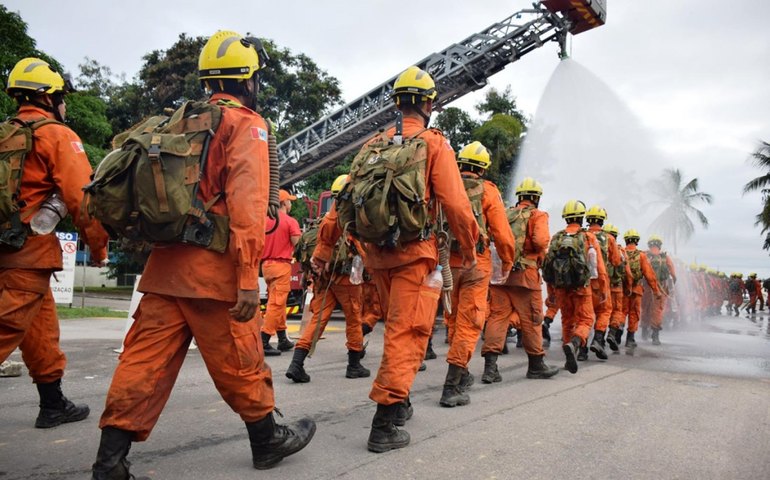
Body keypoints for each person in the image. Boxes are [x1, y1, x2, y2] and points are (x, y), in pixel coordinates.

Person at [91, 32, 314, 478]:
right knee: (240, 359)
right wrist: (248, 279)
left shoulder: (177, 121)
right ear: (248, 80)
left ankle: (109, 461)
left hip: (164, 270)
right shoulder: (246, 124)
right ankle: (267, 440)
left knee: (142, 362)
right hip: (214, 273)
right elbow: (250, 206)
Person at [312, 66, 478, 453]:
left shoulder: (373, 144)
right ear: (428, 104)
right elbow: (455, 203)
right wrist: (468, 249)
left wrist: (323, 249)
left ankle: (400, 402)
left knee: (394, 329)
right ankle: (384, 422)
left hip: (377, 258)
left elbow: (343, 202)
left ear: (396, 102)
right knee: (410, 334)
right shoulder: (434, 143)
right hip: (414, 258)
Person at [0, 58, 109, 428]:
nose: (64, 106)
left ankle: (53, 404)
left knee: (40, 330)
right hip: (27, 254)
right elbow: (83, 199)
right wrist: (98, 247)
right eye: (62, 98)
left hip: (11, 251)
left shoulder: (4, 134)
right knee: (5, 329)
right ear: (49, 98)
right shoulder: (57, 135)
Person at [439, 141, 515, 407]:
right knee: (470, 323)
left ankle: (463, 372)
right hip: (476, 264)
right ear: (483, 168)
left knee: (452, 318)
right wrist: (507, 261)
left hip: (446, 262)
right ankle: (452, 386)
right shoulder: (488, 191)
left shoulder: (445, 183)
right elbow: (503, 234)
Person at [285, 175, 369, 383]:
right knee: (354, 319)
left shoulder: (321, 224)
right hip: (345, 279)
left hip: (322, 277)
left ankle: (297, 363)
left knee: (318, 318)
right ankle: (354, 364)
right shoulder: (349, 225)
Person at [480, 177, 559, 383]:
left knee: (497, 317)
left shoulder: (505, 214)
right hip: (526, 277)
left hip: (501, 276)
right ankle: (536, 365)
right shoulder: (537, 215)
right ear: (536, 198)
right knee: (532, 319)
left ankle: (490, 368)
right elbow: (541, 241)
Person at [543, 200, 609, 374]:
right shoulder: (588, 237)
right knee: (586, 320)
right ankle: (575, 343)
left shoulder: (556, 237)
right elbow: (599, 268)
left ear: (565, 218)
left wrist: (551, 293)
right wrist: (603, 289)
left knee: (567, 320)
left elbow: (548, 266)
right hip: (581, 287)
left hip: (560, 288)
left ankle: (568, 358)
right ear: (581, 217)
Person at [261, 189, 302, 355]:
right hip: (281, 266)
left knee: (279, 302)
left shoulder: (265, 221)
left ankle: (283, 338)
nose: (291, 204)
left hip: (266, 267)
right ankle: (264, 340)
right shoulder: (289, 222)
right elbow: (298, 245)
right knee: (276, 304)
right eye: (290, 201)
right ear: (284, 203)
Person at [583, 205, 620, 360]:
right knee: (604, 311)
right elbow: (616, 261)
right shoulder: (609, 238)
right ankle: (598, 340)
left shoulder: (582, 235)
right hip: (600, 281)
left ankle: (581, 350)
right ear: (602, 220)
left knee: (583, 315)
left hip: (582, 282)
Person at [621, 229, 660, 352]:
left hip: (623, 289)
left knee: (621, 312)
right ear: (637, 241)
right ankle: (630, 339)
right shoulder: (641, 255)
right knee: (634, 314)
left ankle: (615, 335)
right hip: (637, 289)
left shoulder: (621, 252)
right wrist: (656, 291)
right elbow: (649, 275)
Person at [602, 223, 629, 352]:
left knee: (601, 312)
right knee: (617, 311)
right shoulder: (620, 251)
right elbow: (627, 272)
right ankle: (612, 333)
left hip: (602, 287)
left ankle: (599, 339)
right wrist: (628, 287)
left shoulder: (597, 247)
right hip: (617, 287)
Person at [645, 234, 676, 344]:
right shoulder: (664, 257)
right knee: (657, 310)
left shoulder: (644, 255)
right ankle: (655, 334)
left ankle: (644, 330)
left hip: (646, 288)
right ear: (660, 245)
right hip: (660, 288)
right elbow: (672, 272)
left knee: (645, 309)